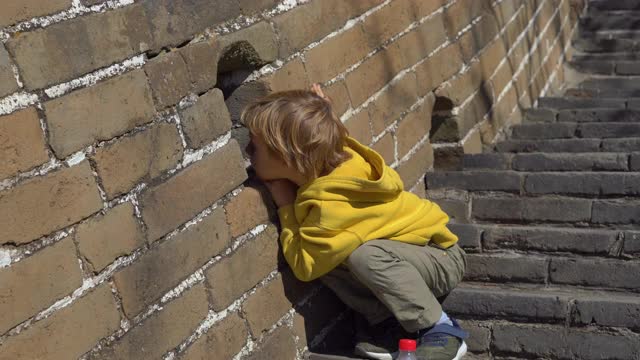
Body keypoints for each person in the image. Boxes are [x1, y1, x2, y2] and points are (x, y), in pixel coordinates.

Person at [240, 83, 468, 360]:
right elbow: (328, 137)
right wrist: (323, 108)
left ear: (289, 157)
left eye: (255, 147)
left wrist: (285, 204)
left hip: (440, 258)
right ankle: (388, 322)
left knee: (355, 256)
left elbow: (303, 265)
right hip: (412, 256)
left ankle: (437, 327)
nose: (248, 153)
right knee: (332, 254)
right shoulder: (340, 157)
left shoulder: (328, 206)